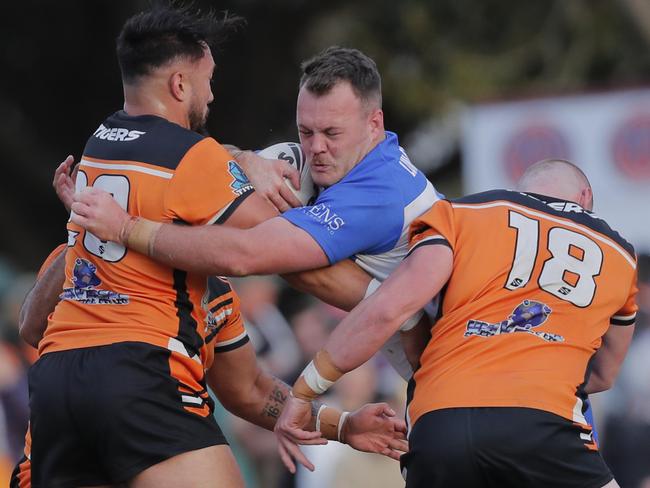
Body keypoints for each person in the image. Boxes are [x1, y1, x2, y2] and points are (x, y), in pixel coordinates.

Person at [28, 6, 404, 487]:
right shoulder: (190, 157)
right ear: (180, 85)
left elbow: (247, 390)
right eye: (207, 81)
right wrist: (401, 302)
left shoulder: (98, 150)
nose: (212, 94)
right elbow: (283, 250)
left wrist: (344, 425)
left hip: (58, 387)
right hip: (143, 372)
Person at [69, 46, 441, 381]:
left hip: (462, 366)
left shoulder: (379, 194)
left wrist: (126, 228)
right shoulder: (324, 162)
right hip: (441, 372)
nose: (316, 148)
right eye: (305, 131)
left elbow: (245, 255)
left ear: (374, 123)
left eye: (331, 132)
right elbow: (208, 168)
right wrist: (245, 159)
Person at [274, 159, 638, 486]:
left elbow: (389, 307)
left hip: (440, 420)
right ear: (586, 197)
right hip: (544, 422)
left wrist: (305, 390)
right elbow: (604, 374)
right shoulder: (619, 253)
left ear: (518, 191)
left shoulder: (463, 212)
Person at [14, 242, 407, 488]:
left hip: (85, 427)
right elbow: (31, 327)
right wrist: (80, 236)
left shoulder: (215, 292)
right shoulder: (86, 252)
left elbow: (250, 390)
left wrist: (342, 424)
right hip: (110, 413)